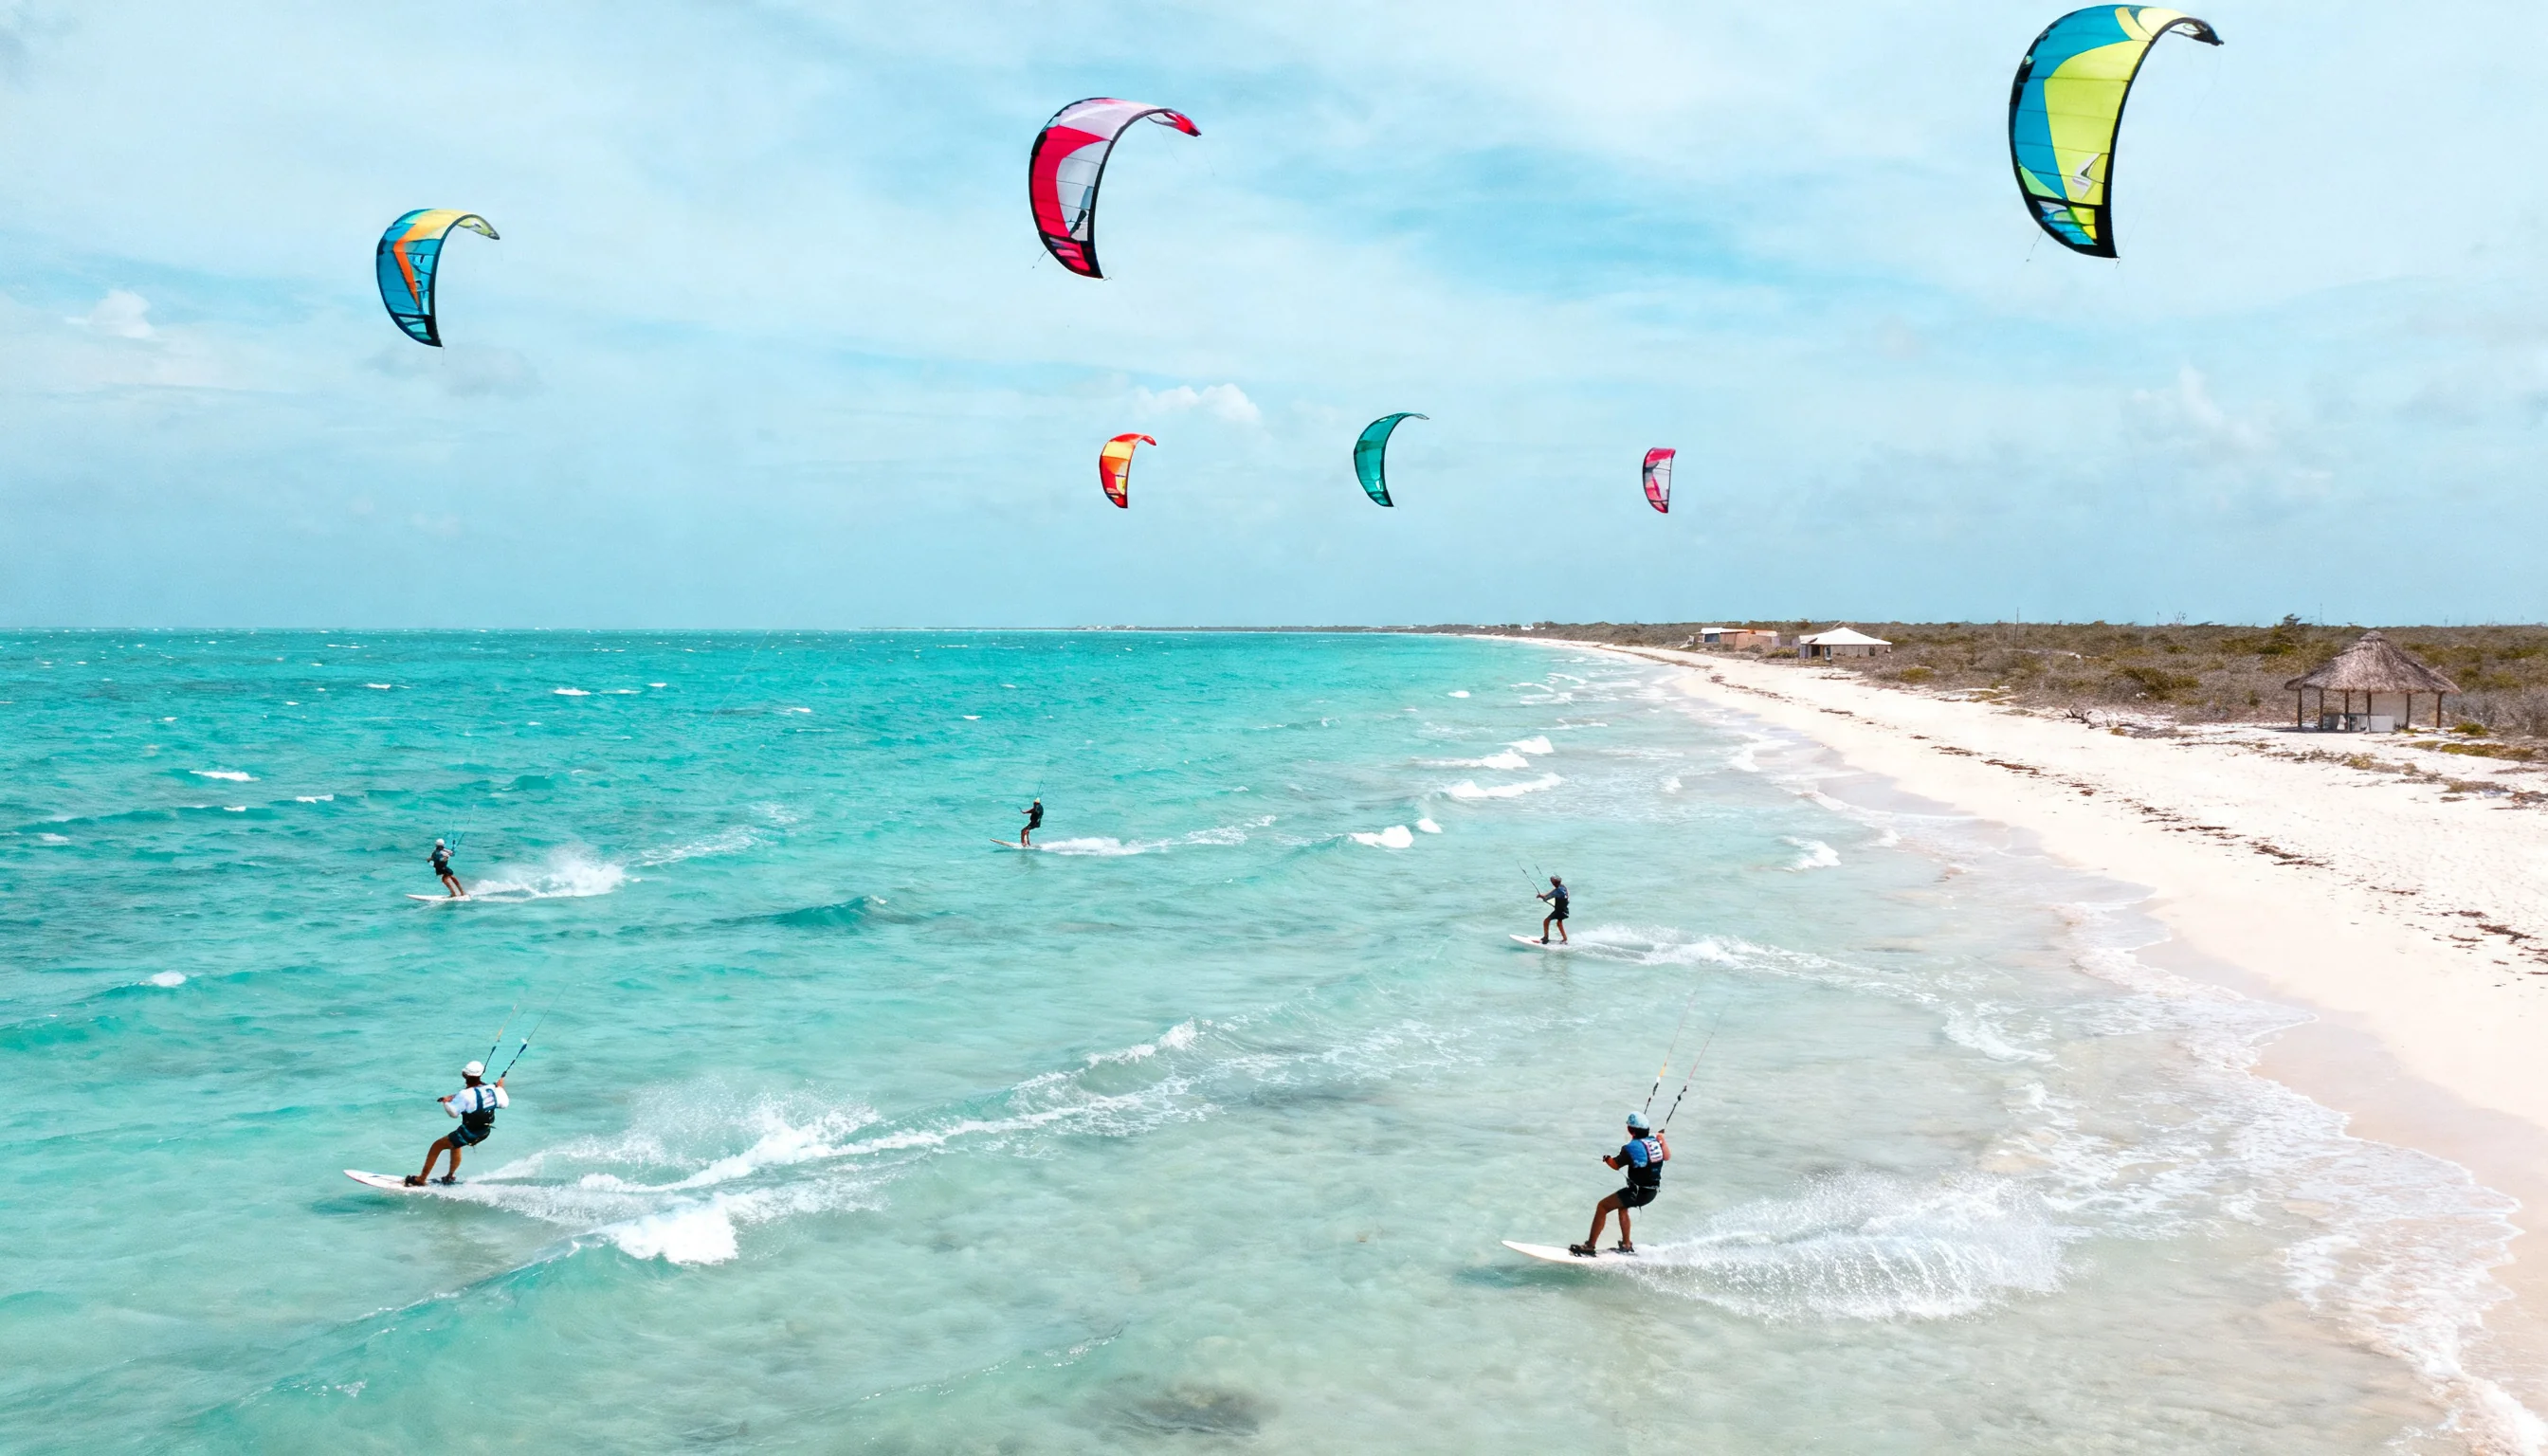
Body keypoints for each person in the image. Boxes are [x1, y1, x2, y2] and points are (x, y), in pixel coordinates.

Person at [1571, 1111, 1667, 1256]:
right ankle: (1626, 1245)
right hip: (1651, 1192)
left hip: (1637, 1193)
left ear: (1630, 1130)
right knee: (1622, 1207)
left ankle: (1590, 1246)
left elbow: (1615, 1165)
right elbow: (1666, 1156)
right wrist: (1662, 1141)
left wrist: (1607, 1159)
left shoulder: (1630, 1148)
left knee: (1602, 1206)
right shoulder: (1655, 1143)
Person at [407, 1060, 508, 1186]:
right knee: (455, 1145)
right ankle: (449, 1176)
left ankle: (421, 1179)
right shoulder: (492, 1089)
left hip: (469, 1132)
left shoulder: (464, 1094)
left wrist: (446, 1102)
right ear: (481, 1075)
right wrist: (500, 1088)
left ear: (465, 1076)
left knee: (437, 1146)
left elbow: (453, 1113)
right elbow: (503, 1104)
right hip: (484, 1131)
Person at [1536, 874, 1569, 944]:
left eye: (1552, 881)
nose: (1551, 882)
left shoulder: (1557, 891)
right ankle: (1565, 939)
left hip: (1559, 911)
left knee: (1546, 921)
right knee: (1559, 923)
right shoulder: (1562, 887)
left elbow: (1547, 897)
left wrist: (1541, 896)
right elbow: (1554, 891)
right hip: (1564, 909)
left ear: (1554, 883)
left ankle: (1546, 938)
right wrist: (1545, 896)